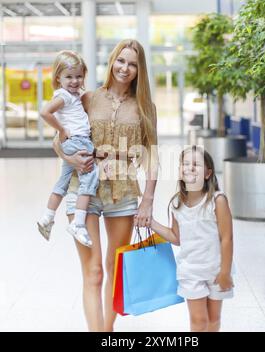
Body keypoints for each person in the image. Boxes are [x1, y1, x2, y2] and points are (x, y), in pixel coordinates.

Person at [53, 39, 158, 332]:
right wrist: (69, 156)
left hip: (123, 193)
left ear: (140, 70)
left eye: (133, 64)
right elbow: (59, 138)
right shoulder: (87, 98)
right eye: (121, 61)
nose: (125, 68)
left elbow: (152, 154)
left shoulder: (145, 107)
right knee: (94, 271)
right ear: (112, 62)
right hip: (83, 189)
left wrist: (148, 199)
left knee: (114, 269)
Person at [151, 146, 233, 332]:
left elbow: (227, 238)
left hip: (217, 270)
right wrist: (152, 224)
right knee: (199, 322)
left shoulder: (217, 201)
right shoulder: (177, 204)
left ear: (208, 173)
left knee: (214, 320)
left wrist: (225, 273)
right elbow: (176, 237)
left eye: (196, 164)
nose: (189, 168)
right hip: (190, 271)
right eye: (185, 164)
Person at [38, 50, 99, 248]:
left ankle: (47, 217)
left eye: (79, 76)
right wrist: (62, 129)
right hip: (78, 141)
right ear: (58, 77)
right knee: (90, 178)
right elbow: (45, 112)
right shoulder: (65, 96)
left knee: (63, 181)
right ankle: (78, 223)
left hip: (74, 143)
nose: (74, 81)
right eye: (69, 77)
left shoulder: (72, 95)